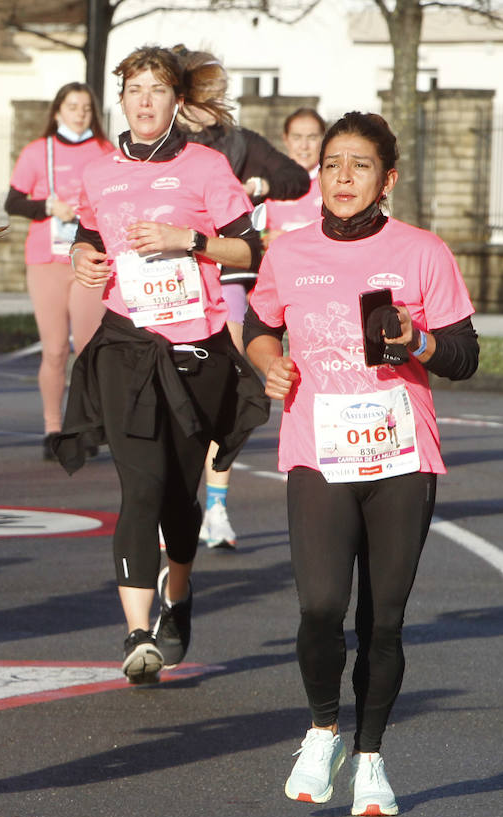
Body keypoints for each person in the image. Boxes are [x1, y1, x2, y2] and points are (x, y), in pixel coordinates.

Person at [246, 111, 478, 816]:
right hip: (319, 446)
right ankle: (323, 730)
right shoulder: (287, 251)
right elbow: (260, 326)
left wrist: (418, 342)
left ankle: (372, 756)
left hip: (401, 452)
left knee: (384, 620)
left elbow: (465, 355)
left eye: (362, 166)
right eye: (334, 163)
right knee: (321, 606)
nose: (344, 177)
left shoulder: (422, 252)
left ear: (388, 179)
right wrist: (269, 365)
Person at [55, 45, 270, 684]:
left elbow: (248, 244)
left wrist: (189, 241)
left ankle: (178, 594)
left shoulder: (205, 167)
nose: (144, 101)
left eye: (157, 89)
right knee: (140, 487)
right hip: (126, 345)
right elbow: (90, 237)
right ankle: (136, 633)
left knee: (180, 498)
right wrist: (81, 260)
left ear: (176, 101)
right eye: (134, 89)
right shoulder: (97, 172)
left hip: (196, 348)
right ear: (120, 99)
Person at [173, 47, 310, 550]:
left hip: (227, 278)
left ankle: (216, 508)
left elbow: (295, 178)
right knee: (176, 408)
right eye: (210, 93)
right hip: (171, 288)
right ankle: (177, 507)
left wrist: (260, 183)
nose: (216, 103)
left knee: (223, 390)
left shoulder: (236, 142)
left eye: (220, 94)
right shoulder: (162, 146)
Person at [6, 83, 113, 460]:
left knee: (87, 349)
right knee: (53, 350)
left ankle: (86, 424)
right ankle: (54, 429)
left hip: (89, 260)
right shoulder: (39, 152)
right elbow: (13, 202)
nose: (80, 113)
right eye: (72, 106)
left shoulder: (105, 152)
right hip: (47, 259)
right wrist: (48, 206)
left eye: (86, 107)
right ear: (57, 112)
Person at [264, 107, 325, 236]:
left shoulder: (334, 182)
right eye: (297, 137)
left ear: (323, 139)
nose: (304, 146)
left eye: (312, 137)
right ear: (285, 139)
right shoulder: (268, 183)